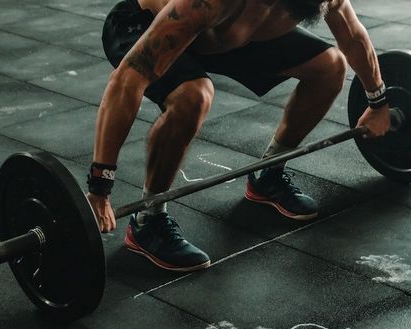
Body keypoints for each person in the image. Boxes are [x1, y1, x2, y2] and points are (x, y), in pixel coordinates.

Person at [87, 0, 391, 272]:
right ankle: (148, 220)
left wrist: (377, 101)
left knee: (330, 66)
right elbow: (127, 81)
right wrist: (101, 184)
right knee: (194, 96)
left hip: (226, 38)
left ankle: (267, 176)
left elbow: (351, 36)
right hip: (144, 23)